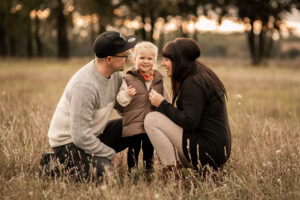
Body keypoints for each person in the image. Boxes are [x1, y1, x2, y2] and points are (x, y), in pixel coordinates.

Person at [43, 31, 138, 181]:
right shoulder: (85, 86)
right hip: (69, 143)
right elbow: (80, 136)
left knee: (135, 126)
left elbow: (120, 108)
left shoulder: (115, 75)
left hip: (94, 135)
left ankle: (84, 163)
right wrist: (110, 155)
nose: (127, 58)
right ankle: (55, 165)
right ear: (109, 59)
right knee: (106, 174)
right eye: (124, 55)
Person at [144, 38, 231, 177]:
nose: (162, 63)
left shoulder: (193, 83)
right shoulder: (201, 73)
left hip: (207, 151)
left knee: (151, 120)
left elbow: (189, 122)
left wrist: (161, 104)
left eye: (167, 59)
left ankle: (172, 176)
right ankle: (203, 171)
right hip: (214, 150)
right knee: (160, 146)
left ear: (179, 61)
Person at [116, 42, 169, 173]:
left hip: (151, 124)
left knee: (149, 150)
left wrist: (167, 110)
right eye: (142, 58)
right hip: (134, 122)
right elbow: (120, 100)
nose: (146, 61)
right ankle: (132, 173)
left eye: (150, 58)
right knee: (133, 150)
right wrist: (127, 95)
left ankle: (148, 172)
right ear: (134, 59)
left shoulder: (158, 80)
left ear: (154, 61)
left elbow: (165, 100)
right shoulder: (128, 78)